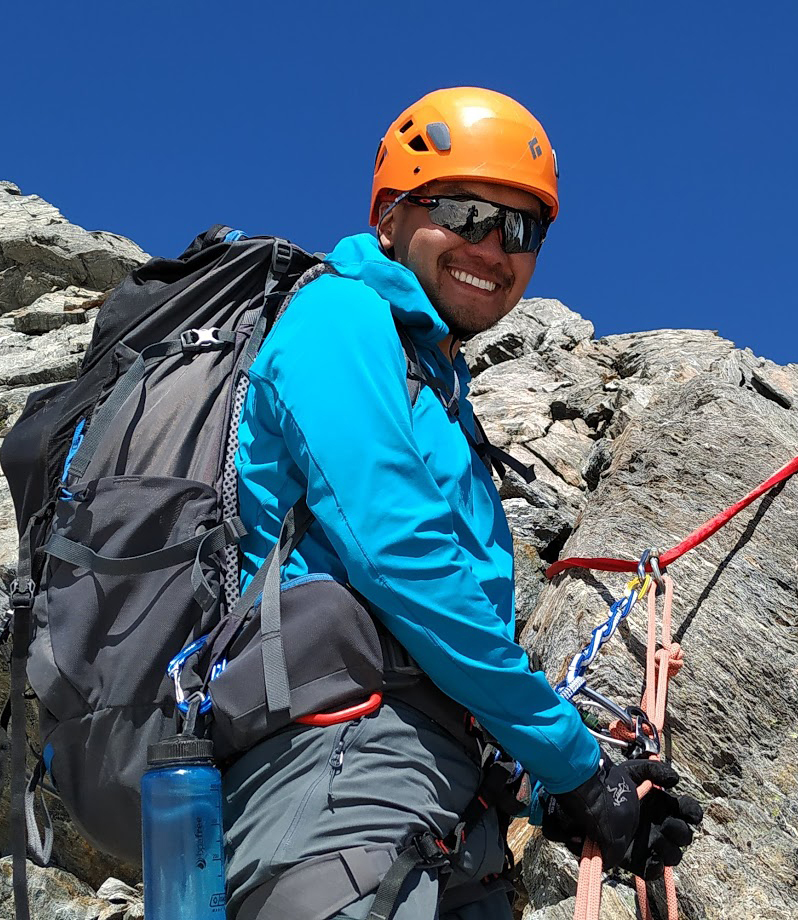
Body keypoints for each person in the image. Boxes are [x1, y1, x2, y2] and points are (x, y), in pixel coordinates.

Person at [221, 87, 702, 919]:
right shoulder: (339, 318)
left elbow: (444, 632)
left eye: (522, 229)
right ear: (391, 215)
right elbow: (400, 560)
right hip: (340, 774)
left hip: (436, 800)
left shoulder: (440, 391)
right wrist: (575, 765)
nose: (493, 245)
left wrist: (557, 793)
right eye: (467, 210)